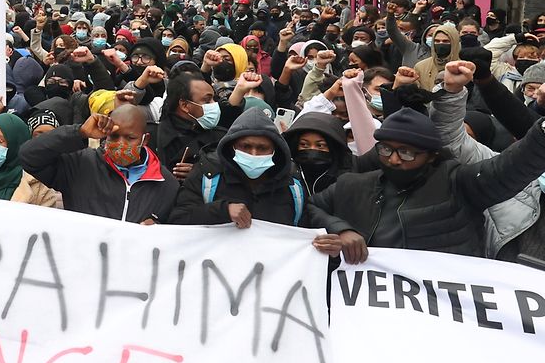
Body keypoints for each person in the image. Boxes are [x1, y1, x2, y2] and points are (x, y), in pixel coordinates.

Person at [310, 61, 545, 262]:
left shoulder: (458, 183)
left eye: (407, 152)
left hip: (440, 308)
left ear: (431, 155)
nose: (393, 159)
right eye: (385, 149)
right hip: (368, 306)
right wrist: (339, 229)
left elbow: (510, 168)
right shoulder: (353, 185)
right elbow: (308, 209)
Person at [20, 104, 178, 223]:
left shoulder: (166, 183)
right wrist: (79, 132)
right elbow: (29, 156)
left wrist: (158, 226)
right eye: (114, 137)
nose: (121, 144)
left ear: (146, 140)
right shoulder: (81, 165)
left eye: (130, 138)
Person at [170, 108, 314, 227]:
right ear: (232, 146)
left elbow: (305, 235)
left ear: (275, 151)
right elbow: (178, 219)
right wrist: (223, 210)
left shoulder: (294, 186)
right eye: (245, 146)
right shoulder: (208, 175)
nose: (253, 154)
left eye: (262, 148)